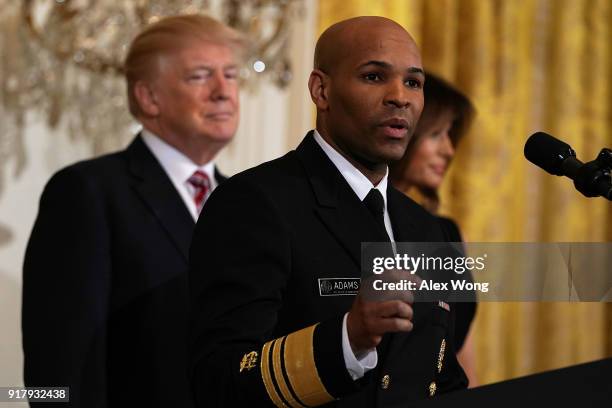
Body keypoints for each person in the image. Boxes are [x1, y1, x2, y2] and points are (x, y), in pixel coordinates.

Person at [189, 16, 467, 407]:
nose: (400, 97)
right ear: (322, 90)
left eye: (413, 82)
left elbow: (442, 378)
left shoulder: (428, 230)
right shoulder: (255, 202)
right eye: (374, 77)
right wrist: (348, 338)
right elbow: (217, 381)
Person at [22, 14, 245, 407]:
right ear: (149, 97)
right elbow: (58, 367)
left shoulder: (245, 201)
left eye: (230, 75)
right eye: (199, 76)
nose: (223, 91)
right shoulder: (87, 192)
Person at [390, 72, 478, 386]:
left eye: (451, 135)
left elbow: (461, 357)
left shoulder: (449, 235)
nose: (449, 150)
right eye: (437, 134)